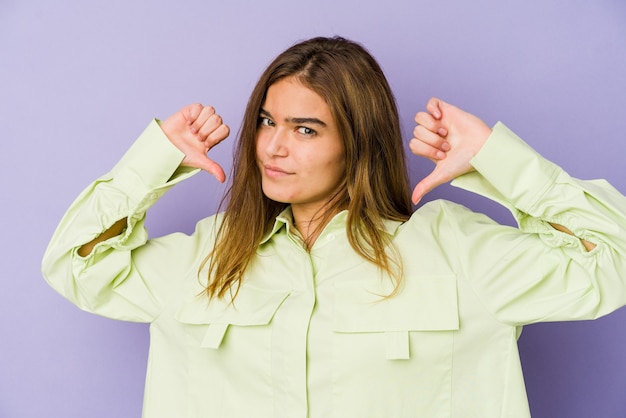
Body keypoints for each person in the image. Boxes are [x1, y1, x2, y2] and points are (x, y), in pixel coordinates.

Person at [42, 36, 626, 418]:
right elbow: (74, 265)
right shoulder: (205, 258)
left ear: (359, 143)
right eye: (267, 121)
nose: (271, 146)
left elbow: (613, 263)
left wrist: (498, 160)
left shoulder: (456, 254)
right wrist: (150, 163)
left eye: (305, 129)